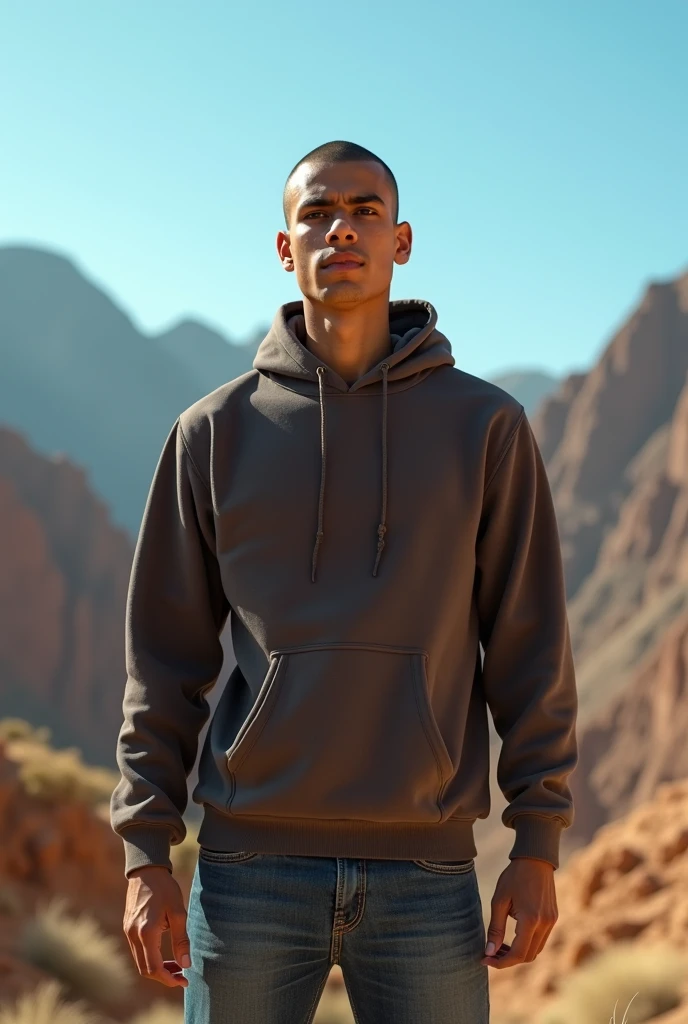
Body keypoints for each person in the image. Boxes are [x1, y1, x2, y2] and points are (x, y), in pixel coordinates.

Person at [110, 139, 578, 1024]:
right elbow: (163, 663)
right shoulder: (212, 433)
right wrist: (144, 853)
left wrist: (537, 843)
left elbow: (530, 645)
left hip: (428, 871)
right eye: (317, 213)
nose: (342, 231)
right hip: (249, 871)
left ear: (402, 242)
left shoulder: (485, 428)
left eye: (365, 211)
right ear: (285, 248)